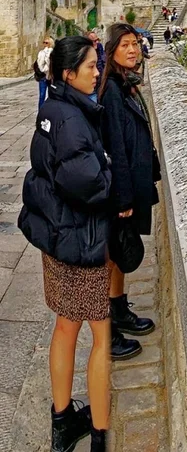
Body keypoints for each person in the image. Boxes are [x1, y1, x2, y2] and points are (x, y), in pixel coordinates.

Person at [17, 35, 116, 452]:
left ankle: (61, 426)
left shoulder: (51, 109)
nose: (98, 73)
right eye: (92, 67)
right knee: (101, 334)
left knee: (64, 326)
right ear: (67, 73)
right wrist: (111, 172)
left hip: (56, 238)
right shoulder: (73, 118)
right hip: (80, 240)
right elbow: (89, 184)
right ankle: (98, 433)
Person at [96, 23, 159, 360]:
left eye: (135, 44)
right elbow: (115, 148)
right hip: (120, 192)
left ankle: (119, 310)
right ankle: (106, 330)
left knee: (119, 255)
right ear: (112, 51)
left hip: (132, 184)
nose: (133, 50)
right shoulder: (113, 92)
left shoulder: (127, 84)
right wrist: (122, 199)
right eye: (125, 46)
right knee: (110, 258)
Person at [34, 36, 53, 110]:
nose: (45, 44)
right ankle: (40, 112)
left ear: (50, 43)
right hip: (43, 76)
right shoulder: (41, 53)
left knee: (52, 95)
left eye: (47, 42)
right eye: (44, 42)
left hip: (50, 76)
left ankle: (50, 111)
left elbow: (51, 63)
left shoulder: (52, 53)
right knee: (42, 95)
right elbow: (40, 64)